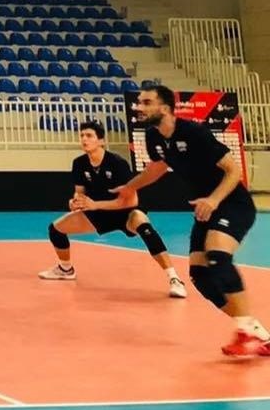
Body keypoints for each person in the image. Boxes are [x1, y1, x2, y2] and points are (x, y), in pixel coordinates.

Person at [116, 85, 267, 357]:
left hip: (232, 203)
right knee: (200, 276)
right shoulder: (153, 136)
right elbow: (157, 168)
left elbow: (234, 171)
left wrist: (213, 200)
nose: (138, 107)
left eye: (146, 102)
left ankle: (245, 332)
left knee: (217, 256)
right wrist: (130, 187)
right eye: (139, 102)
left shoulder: (194, 133)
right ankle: (257, 332)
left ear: (165, 108)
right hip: (205, 209)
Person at [38, 119, 185, 298]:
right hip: (98, 214)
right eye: (82, 135)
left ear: (101, 141)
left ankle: (174, 279)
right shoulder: (79, 163)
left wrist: (95, 205)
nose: (84, 139)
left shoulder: (117, 163)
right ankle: (65, 269)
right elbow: (79, 193)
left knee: (145, 228)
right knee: (56, 229)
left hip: (125, 213)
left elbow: (131, 201)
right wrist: (75, 201)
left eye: (89, 136)